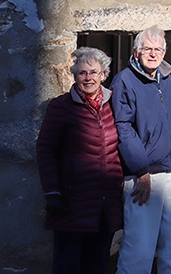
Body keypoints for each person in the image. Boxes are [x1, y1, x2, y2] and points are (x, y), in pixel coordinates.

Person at [36, 47, 123, 273]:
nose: (88, 78)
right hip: (72, 201)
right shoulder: (61, 107)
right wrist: (52, 191)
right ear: (74, 76)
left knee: (98, 264)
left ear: (104, 75)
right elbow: (46, 150)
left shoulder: (114, 105)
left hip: (106, 203)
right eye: (82, 73)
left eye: (94, 72)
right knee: (68, 264)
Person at [110, 26, 171, 273]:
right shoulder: (124, 80)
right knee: (139, 247)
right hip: (145, 175)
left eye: (158, 49)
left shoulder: (166, 77)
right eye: (147, 49)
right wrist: (140, 170)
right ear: (135, 51)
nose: (153, 54)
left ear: (164, 52)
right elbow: (123, 128)